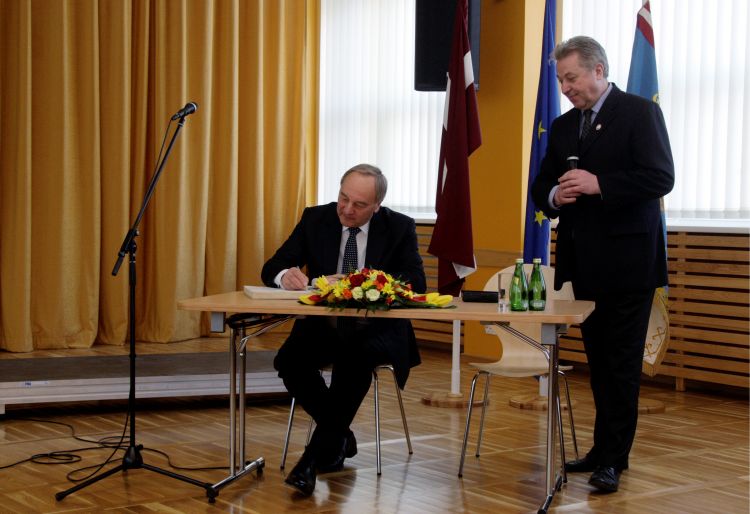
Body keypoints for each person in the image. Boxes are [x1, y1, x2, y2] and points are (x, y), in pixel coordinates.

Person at [531, 36, 674, 493]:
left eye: (571, 77)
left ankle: (613, 459)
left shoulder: (639, 112)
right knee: (598, 362)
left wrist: (600, 184)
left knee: (621, 365)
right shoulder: (562, 125)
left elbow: (660, 176)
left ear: (598, 70)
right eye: (560, 80)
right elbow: (541, 187)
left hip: (630, 265)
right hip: (584, 264)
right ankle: (602, 450)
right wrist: (556, 195)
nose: (565, 88)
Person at [261, 163, 426, 496]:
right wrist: (285, 276)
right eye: (343, 198)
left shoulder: (399, 227)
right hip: (325, 325)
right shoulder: (315, 218)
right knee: (289, 362)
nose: (347, 209)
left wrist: (364, 283)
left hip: (376, 328)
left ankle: (310, 459)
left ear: (377, 205)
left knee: (355, 359)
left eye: (359, 204)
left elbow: (416, 282)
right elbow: (272, 267)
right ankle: (339, 436)